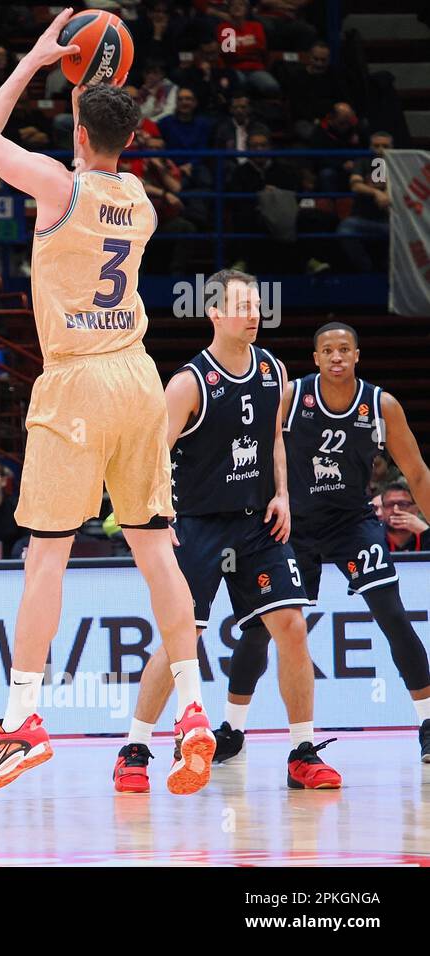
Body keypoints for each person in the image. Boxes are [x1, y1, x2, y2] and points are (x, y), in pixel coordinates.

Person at [0, 9, 213, 795]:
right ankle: (196, 713)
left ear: (74, 128)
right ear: (131, 140)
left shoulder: (54, 183)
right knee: (156, 551)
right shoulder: (140, 199)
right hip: (139, 378)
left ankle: (23, 721)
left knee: (46, 557)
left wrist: (36, 62)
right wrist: (93, 94)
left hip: (75, 382)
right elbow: (105, 139)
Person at [114, 271, 335, 796]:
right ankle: (134, 750)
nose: (253, 314)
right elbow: (153, 458)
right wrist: (157, 517)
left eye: (257, 305)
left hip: (257, 523)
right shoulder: (189, 382)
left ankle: (302, 752)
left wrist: (282, 494)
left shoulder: (275, 371)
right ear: (214, 313)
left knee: (292, 627)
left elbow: (275, 441)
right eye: (241, 306)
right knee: (180, 640)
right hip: (197, 525)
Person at [219, 323, 430, 762]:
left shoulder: (380, 405)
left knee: (391, 613)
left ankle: (427, 722)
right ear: (315, 358)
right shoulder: (292, 397)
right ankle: (232, 730)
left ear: (357, 356)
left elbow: (418, 472)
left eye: (344, 349)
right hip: (293, 526)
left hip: (351, 522)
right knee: (261, 629)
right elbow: (253, 451)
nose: (337, 357)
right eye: (328, 350)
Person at [381, 480, 427, 553]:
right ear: (382, 510)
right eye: (389, 504)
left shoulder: (426, 534)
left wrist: (426, 532)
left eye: (403, 504)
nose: (395, 510)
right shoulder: (371, 538)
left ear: (416, 509)